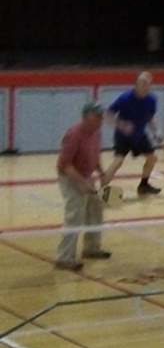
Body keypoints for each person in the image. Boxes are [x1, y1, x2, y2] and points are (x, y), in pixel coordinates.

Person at [55, 101, 111, 270]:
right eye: (97, 116)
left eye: (102, 116)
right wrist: (82, 183)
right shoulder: (73, 134)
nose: (101, 120)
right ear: (87, 117)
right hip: (70, 177)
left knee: (96, 210)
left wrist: (101, 172)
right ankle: (64, 257)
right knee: (75, 215)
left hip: (86, 175)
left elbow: (95, 155)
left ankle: (92, 248)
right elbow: (65, 165)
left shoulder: (96, 133)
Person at [104, 71, 163, 195]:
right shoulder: (125, 98)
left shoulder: (152, 100)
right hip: (123, 136)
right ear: (136, 84)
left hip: (139, 135)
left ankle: (144, 185)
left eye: (148, 84)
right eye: (143, 83)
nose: (145, 86)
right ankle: (100, 190)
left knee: (152, 158)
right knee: (118, 161)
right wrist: (121, 125)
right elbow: (108, 114)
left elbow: (150, 117)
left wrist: (156, 131)